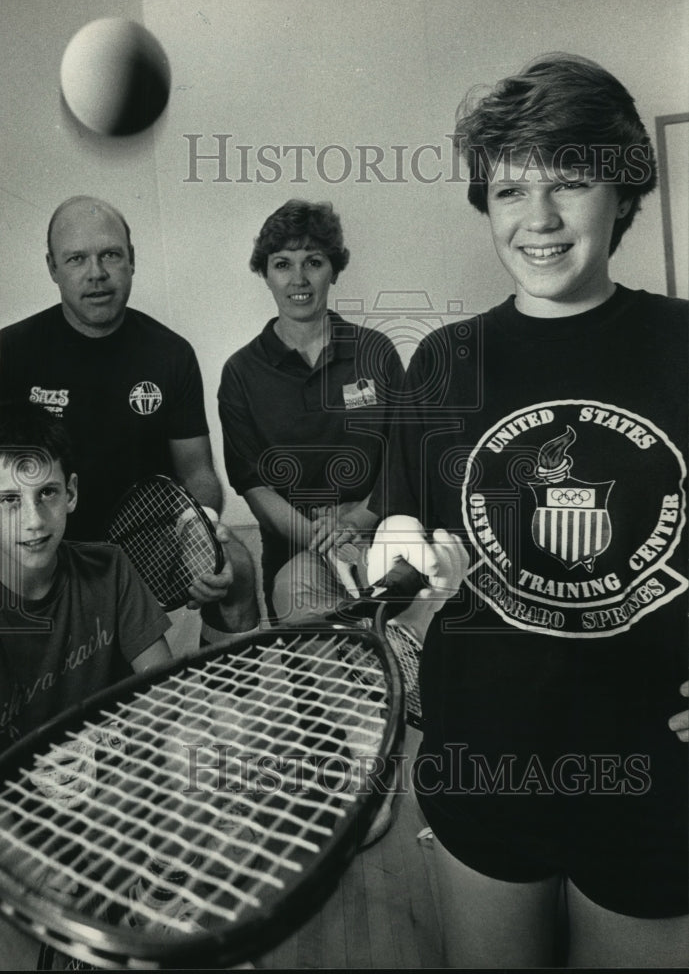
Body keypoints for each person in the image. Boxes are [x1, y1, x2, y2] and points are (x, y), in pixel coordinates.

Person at [369, 53, 689, 968]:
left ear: (621, 193)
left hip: (654, 782)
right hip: (485, 767)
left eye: (570, 183)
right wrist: (396, 558)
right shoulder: (440, 361)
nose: (537, 220)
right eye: (510, 190)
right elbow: (400, 526)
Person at [0, 401, 258, 970]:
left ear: (70, 493)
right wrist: (24, 859)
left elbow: (166, 697)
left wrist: (151, 777)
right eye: (7, 501)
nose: (34, 520)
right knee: (3, 926)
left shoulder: (110, 567)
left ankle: (150, 898)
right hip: (18, 822)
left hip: (119, 798)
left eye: (46, 493)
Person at [0, 195, 224, 544]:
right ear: (52, 268)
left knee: (236, 568)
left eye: (110, 254)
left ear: (131, 260)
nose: (97, 274)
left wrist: (201, 529)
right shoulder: (10, 351)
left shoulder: (172, 353)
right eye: (76, 259)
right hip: (49, 548)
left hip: (152, 550)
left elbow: (198, 473)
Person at [218, 199, 405, 621]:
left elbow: (404, 457)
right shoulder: (241, 373)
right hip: (293, 558)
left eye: (313, 262)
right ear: (264, 273)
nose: (298, 279)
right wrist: (325, 539)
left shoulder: (376, 352)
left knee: (397, 677)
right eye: (283, 264)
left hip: (381, 544)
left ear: (334, 270)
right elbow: (255, 486)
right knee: (317, 683)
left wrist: (359, 519)